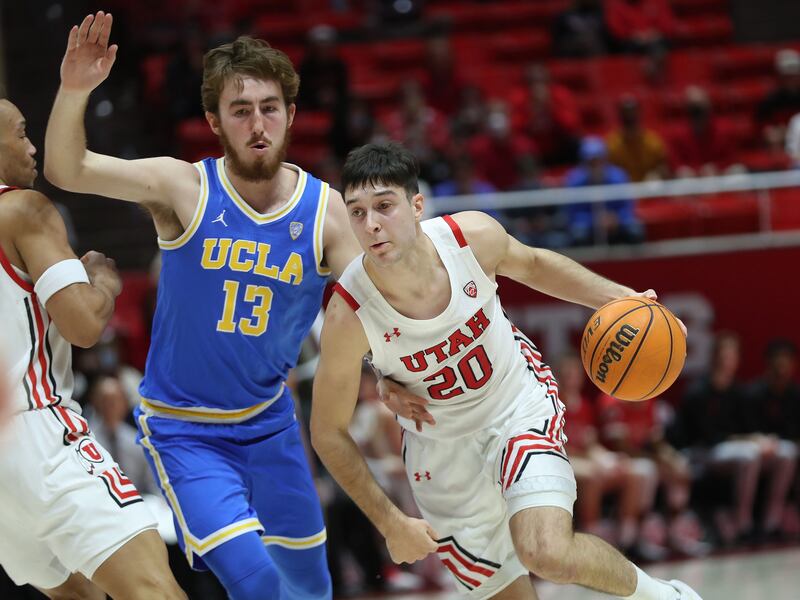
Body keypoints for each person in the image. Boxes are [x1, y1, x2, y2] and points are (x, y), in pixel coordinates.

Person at [45, 11, 371, 599]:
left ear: (291, 115)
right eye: (240, 111)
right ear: (214, 123)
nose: (257, 124)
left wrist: (395, 372)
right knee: (259, 588)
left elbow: (377, 306)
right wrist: (74, 93)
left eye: (269, 107)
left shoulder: (326, 214)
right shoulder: (183, 188)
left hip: (271, 424)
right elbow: (68, 169)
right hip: (185, 430)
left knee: (311, 588)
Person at [311, 142, 702, 600]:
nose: (371, 224)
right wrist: (390, 521)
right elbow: (326, 431)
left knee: (546, 551)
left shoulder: (470, 237)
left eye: (383, 206)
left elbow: (535, 265)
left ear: (417, 206)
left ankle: (665, 597)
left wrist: (626, 300)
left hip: (515, 405)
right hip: (441, 455)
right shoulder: (348, 313)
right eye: (356, 213)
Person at [0, 98, 185, 599]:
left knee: (77, 596)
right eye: (19, 133)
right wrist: (101, 281)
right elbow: (82, 326)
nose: (32, 146)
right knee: (156, 592)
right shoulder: (21, 208)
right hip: (34, 431)